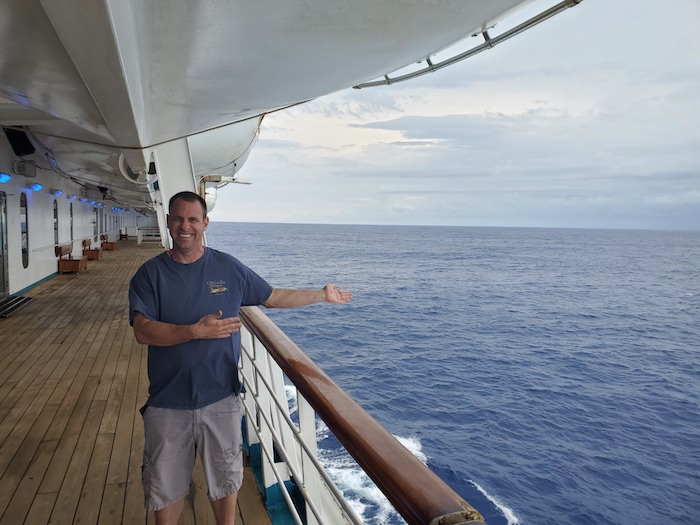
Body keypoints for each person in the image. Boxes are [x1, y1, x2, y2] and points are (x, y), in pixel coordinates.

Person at [128, 191, 352, 525]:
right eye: (177, 218)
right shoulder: (149, 275)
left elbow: (272, 297)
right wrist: (194, 331)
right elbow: (143, 331)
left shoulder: (227, 267)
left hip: (220, 397)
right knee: (166, 487)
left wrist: (321, 294)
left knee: (226, 481)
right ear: (168, 222)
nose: (184, 226)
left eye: (192, 219)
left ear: (205, 223)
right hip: (167, 401)